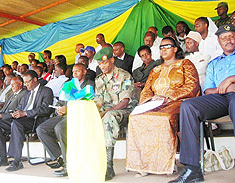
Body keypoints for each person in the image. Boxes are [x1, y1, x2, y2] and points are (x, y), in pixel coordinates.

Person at [168, 24, 235, 183]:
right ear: (219, 41)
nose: (229, 40)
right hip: (219, 97)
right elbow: (208, 90)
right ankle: (192, 169)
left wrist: (231, 79)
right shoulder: (214, 63)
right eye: (224, 38)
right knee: (188, 106)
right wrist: (223, 89)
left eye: (231, 36)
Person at [126, 37, 200, 177]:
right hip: (155, 103)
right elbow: (147, 89)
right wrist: (148, 100)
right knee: (136, 117)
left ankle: (166, 164)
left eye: (167, 46)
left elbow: (192, 86)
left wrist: (169, 97)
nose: (163, 49)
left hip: (178, 102)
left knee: (163, 118)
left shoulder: (185, 64)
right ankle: (144, 164)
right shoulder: (156, 70)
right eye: (161, 47)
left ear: (175, 48)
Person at [36, 63, 95, 177]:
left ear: (84, 72)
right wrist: (58, 109)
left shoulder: (90, 84)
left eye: (77, 71)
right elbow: (60, 102)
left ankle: (69, 165)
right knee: (41, 129)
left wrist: (68, 109)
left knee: (60, 128)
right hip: (64, 115)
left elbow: (87, 103)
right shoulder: (68, 84)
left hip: (79, 115)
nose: (74, 74)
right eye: (73, 72)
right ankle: (60, 157)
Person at [0, 70, 54, 171]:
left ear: (35, 79)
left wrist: (26, 113)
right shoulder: (27, 93)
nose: (26, 84)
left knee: (16, 124)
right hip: (23, 119)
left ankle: (16, 161)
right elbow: (22, 107)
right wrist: (15, 113)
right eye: (25, 82)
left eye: (28, 82)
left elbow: (46, 109)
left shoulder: (46, 90)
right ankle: (2, 158)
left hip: (36, 120)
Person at [94, 47, 137, 180]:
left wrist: (106, 112)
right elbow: (99, 102)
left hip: (124, 111)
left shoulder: (125, 76)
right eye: (100, 64)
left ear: (112, 60)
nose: (102, 66)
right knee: (90, 118)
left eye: (105, 63)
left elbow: (125, 101)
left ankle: (108, 166)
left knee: (108, 117)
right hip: (107, 111)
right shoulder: (99, 79)